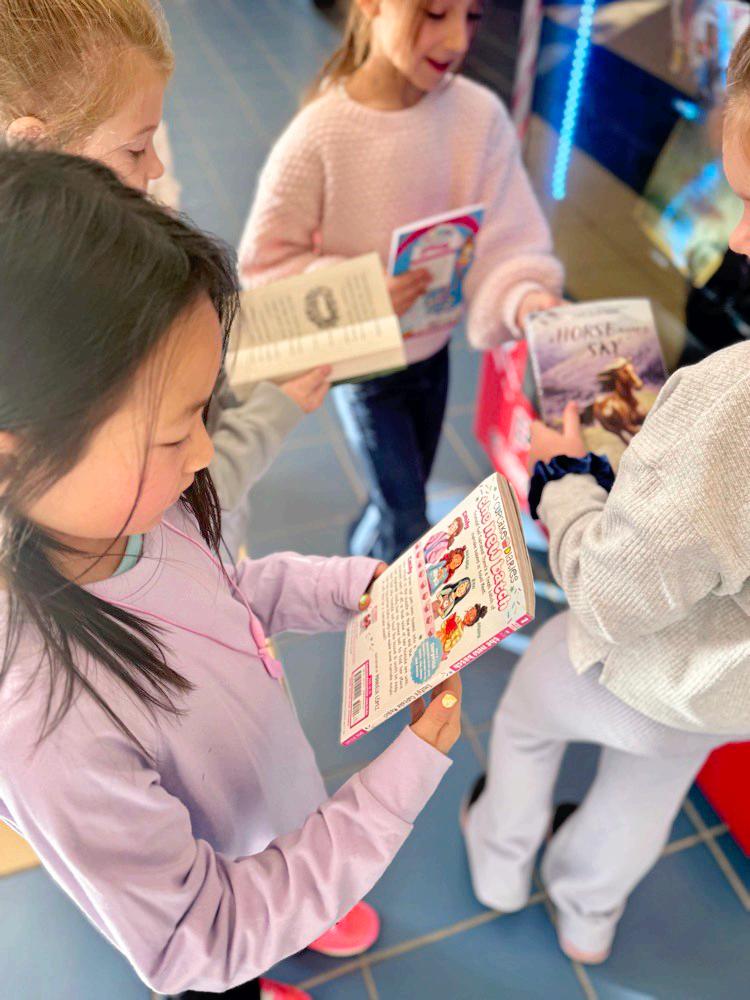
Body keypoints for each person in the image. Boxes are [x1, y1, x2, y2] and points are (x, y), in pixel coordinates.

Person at [0, 146, 463, 1000]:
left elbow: (223, 591)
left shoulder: (133, 512)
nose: (205, 454)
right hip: (219, 917)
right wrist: (400, 780)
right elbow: (201, 936)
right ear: (13, 459)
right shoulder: (46, 721)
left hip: (269, 814)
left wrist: (351, 589)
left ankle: (304, 899)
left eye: (203, 414)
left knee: (284, 882)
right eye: (175, 431)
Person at [462, 26, 750, 966]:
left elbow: (611, 594)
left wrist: (565, 480)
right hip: (728, 693)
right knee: (649, 790)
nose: (735, 237)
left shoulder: (730, 400)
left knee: (527, 720)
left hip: (634, 665)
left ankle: (499, 862)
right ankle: (589, 914)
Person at [0, 0, 330, 557]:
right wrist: (273, 412)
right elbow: (168, 515)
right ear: (33, 146)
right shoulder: (65, 321)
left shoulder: (95, 245)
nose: (154, 167)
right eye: (135, 148)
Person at [238, 0, 563, 562]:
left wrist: (525, 297)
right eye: (435, 14)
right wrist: (359, 293)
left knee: (401, 491)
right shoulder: (319, 134)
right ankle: (378, 601)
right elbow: (264, 268)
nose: (458, 40)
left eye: (472, 16)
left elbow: (507, 235)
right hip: (366, 367)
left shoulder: (478, 116)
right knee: (407, 514)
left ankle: (366, 549)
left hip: (433, 354)